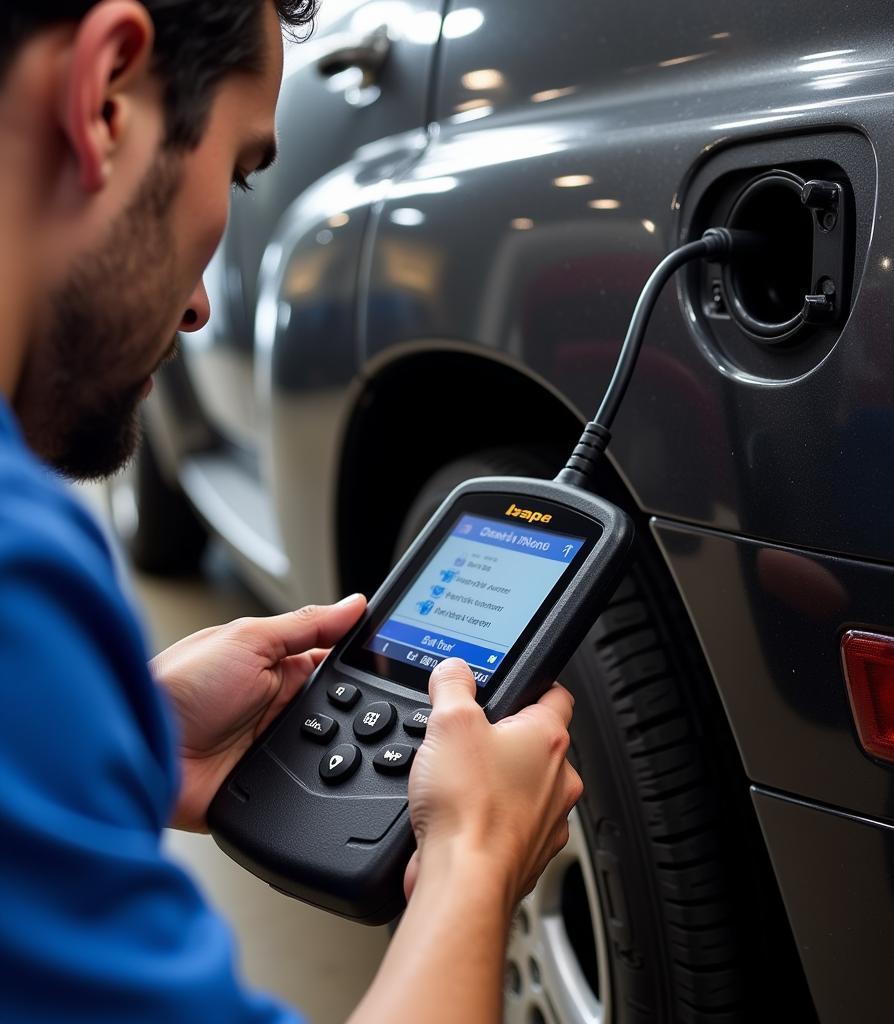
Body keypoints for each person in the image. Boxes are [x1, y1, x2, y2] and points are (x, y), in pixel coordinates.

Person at [0, 3, 583, 1021]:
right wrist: (472, 866)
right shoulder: (21, 571)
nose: (199, 310)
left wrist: (121, 733)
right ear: (105, 101)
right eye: (235, 170)